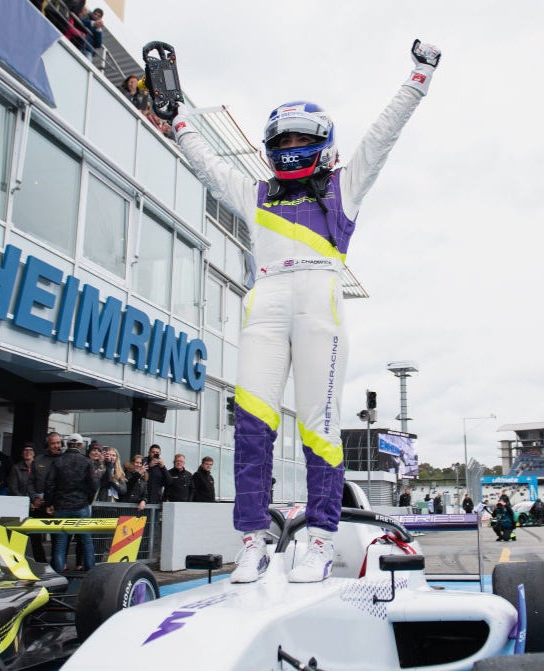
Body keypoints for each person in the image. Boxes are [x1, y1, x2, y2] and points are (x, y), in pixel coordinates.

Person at [173, 39, 440, 583]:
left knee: (319, 428)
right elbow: (204, 165)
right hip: (264, 305)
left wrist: (419, 77)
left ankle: (319, 539)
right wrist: (177, 118)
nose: (291, 146)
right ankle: (253, 540)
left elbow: (385, 133)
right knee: (251, 429)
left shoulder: (347, 183)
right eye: (284, 139)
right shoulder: (254, 192)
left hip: (321, 300)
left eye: (302, 138)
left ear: (322, 144)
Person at [44, 434, 99, 572]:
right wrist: (89, 500)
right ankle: (90, 573)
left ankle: (58, 573)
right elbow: (93, 485)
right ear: (81, 446)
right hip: (81, 506)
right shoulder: (86, 462)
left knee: (60, 543)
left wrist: (50, 503)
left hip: (61, 506)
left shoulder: (58, 461)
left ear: (67, 445)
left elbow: (49, 484)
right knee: (86, 541)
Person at [7, 443, 46, 562]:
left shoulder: (40, 467)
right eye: (25, 450)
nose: (28, 452)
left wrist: (38, 501)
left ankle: (40, 561)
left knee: (36, 537)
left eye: (30, 450)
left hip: (38, 507)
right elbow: (13, 488)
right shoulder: (16, 468)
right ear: (22, 453)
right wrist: (27, 503)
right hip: (21, 507)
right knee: (18, 536)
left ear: (34, 453)